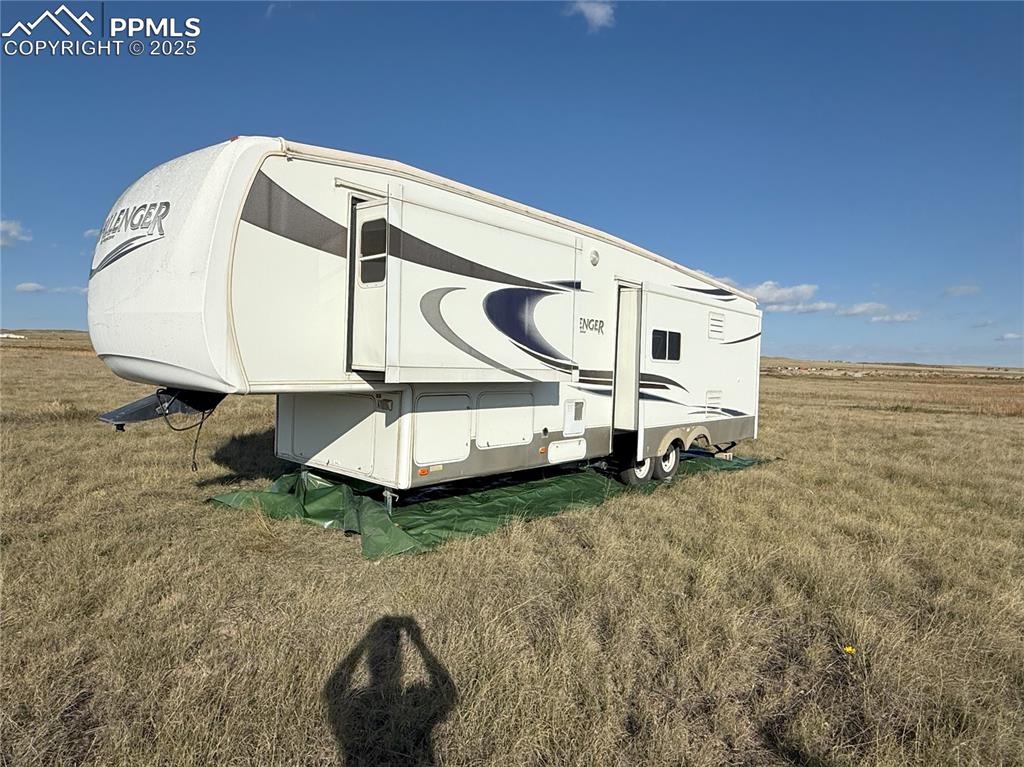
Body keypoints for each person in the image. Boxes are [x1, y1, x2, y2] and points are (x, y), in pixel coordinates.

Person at [323, 616, 457, 766]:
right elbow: (448, 696)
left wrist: (363, 643)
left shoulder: (355, 709)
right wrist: (418, 642)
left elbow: (332, 692)